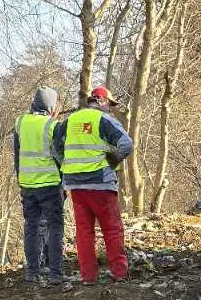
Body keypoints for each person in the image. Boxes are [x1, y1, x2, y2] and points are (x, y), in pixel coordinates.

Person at [53, 85, 132, 283]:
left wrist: (67, 165)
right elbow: (126, 144)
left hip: (76, 186)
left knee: (84, 233)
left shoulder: (70, 120)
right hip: (101, 184)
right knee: (112, 229)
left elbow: (55, 148)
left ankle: (88, 277)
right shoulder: (104, 119)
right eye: (110, 105)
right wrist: (112, 161)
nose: (110, 109)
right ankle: (119, 273)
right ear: (102, 101)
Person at [14, 86, 64, 284]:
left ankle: (32, 272)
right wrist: (64, 182)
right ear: (51, 105)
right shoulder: (53, 125)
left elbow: (17, 156)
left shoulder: (20, 122)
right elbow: (60, 157)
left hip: (27, 185)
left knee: (31, 227)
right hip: (50, 184)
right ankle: (55, 274)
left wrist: (21, 180)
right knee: (55, 227)